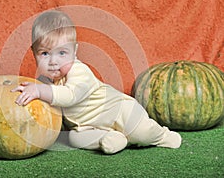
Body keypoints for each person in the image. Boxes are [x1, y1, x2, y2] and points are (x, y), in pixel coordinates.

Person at [11, 10, 182, 154]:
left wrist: (40, 92)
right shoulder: (44, 81)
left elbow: (70, 96)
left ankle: (162, 135)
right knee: (73, 138)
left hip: (119, 111)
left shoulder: (79, 71)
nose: (53, 61)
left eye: (62, 53)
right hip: (87, 126)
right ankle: (111, 138)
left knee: (141, 132)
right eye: (45, 54)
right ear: (33, 53)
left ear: (74, 51)